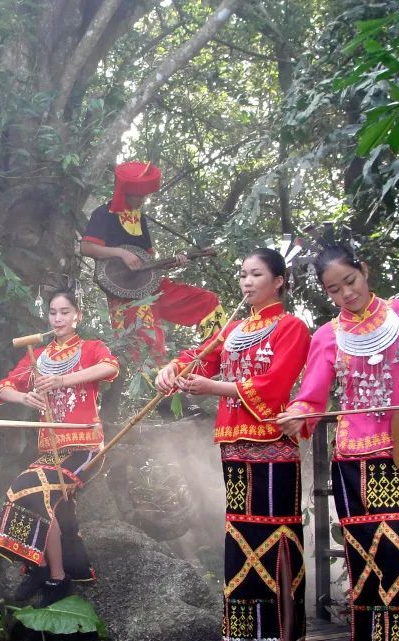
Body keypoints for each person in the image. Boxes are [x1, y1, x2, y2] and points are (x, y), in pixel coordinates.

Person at [276, 244, 399, 641]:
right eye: (334, 290)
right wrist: (299, 413)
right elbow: (313, 395)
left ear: (365, 270)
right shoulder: (327, 335)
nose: (346, 294)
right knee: (365, 557)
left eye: (350, 281)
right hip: (351, 462)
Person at [155, 248, 311, 641]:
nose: (246, 281)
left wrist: (214, 388)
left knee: (275, 534)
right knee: (241, 532)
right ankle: (244, 632)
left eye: (256, 274)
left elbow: (274, 386)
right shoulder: (233, 331)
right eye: (243, 274)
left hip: (273, 442)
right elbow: (200, 358)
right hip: (234, 445)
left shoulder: (291, 327)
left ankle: (281, 631)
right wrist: (172, 368)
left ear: (278, 281)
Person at [0, 290, 119, 605]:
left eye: (64, 312)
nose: (58, 319)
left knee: (28, 487)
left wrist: (62, 381)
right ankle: (44, 569)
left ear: (78, 316)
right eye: (53, 313)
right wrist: (25, 397)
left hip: (85, 447)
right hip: (51, 450)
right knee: (39, 499)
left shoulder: (90, 348)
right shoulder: (38, 356)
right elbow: (3, 388)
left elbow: (110, 368)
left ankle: (53, 575)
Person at [80, 161, 225, 358]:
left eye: (144, 196)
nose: (142, 200)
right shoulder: (103, 214)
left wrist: (174, 262)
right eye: (138, 196)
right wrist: (121, 253)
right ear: (125, 192)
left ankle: (217, 356)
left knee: (206, 301)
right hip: (126, 296)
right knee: (150, 350)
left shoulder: (140, 219)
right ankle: (157, 385)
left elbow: (149, 262)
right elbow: (86, 247)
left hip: (151, 287)